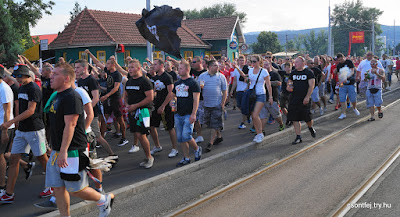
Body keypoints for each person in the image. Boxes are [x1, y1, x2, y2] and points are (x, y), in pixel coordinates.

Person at [45, 62, 114, 216]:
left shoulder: (71, 97)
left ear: (66, 78)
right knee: (57, 188)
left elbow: (71, 125)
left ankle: (103, 199)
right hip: (58, 149)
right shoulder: (57, 96)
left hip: (71, 150)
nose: (51, 76)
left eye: (55, 74)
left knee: (76, 189)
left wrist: (63, 151)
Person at [0, 64, 51, 203]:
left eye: (19, 77)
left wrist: (10, 122)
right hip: (22, 130)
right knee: (14, 158)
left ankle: (53, 185)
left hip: (35, 129)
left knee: (42, 158)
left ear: (26, 75)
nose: (18, 79)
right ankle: (9, 193)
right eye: (16, 77)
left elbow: (30, 111)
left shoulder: (34, 88)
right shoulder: (22, 86)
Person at [75, 59, 118, 160]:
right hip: (84, 113)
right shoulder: (80, 80)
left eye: (78, 67)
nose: (75, 70)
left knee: (97, 136)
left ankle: (112, 154)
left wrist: (86, 111)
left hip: (91, 113)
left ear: (85, 68)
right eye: (75, 67)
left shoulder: (91, 80)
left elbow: (96, 98)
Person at [85, 49, 128, 146]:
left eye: (108, 63)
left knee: (120, 119)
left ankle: (124, 137)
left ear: (113, 65)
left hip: (115, 99)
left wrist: (106, 96)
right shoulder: (108, 72)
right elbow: (97, 62)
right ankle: (101, 139)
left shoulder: (117, 74)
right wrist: (90, 53)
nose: (106, 65)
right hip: (107, 99)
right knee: (104, 119)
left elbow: (116, 88)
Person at [124, 59, 155, 169]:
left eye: (132, 67)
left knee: (141, 134)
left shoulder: (145, 82)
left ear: (138, 68)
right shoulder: (129, 82)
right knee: (138, 134)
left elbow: (150, 98)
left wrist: (135, 106)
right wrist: (127, 105)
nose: (130, 69)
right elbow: (126, 95)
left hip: (143, 111)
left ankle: (149, 157)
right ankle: (147, 156)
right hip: (132, 111)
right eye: (129, 67)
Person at [235, 55, 273, 143]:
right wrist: (237, 68)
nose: (253, 63)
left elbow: (268, 84)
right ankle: (258, 133)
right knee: (253, 115)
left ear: (259, 61)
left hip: (261, 94)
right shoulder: (250, 70)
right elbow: (245, 76)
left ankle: (260, 133)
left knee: (255, 114)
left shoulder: (264, 71)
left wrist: (270, 96)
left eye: (254, 61)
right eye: (251, 61)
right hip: (252, 94)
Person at [172, 60, 202, 167]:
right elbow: (174, 96)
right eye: (178, 68)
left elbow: (196, 99)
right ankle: (186, 157)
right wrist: (173, 103)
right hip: (178, 113)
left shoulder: (193, 83)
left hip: (189, 113)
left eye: (181, 68)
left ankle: (197, 148)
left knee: (186, 135)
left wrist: (194, 114)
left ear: (187, 69)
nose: (178, 70)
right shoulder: (177, 83)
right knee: (180, 137)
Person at [148, 59, 179, 158]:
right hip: (157, 103)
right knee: (152, 126)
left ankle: (175, 148)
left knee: (170, 127)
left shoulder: (168, 77)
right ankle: (157, 146)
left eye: (155, 64)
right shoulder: (155, 77)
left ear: (161, 65)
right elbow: (154, 90)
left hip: (167, 105)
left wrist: (163, 106)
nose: (154, 66)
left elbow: (171, 93)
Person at [198, 60, 227, 152]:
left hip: (217, 104)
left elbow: (225, 91)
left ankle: (210, 143)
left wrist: (223, 103)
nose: (217, 67)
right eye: (215, 65)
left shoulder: (221, 77)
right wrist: (200, 87)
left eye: (217, 65)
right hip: (206, 104)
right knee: (209, 123)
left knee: (214, 124)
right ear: (209, 67)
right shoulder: (202, 76)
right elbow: (198, 88)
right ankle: (219, 136)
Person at [286, 57, 316, 144]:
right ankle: (298, 136)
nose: (295, 64)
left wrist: (307, 97)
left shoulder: (308, 73)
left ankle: (310, 127)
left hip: (305, 98)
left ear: (303, 63)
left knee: (307, 117)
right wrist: (289, 86)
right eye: (295, 62)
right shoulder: (293, 72)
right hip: (294, 98)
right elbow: (290, 81)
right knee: (295, 118)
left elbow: (311, 86)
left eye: (297, 62)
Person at [0, 65, 15, 194]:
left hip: (4, 126)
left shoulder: (4, 89)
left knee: (0, 156)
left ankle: (2, 185)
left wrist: (5, 130)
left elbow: (7, 111)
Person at [335, 53, 360, 120]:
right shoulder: (338, 66)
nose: (340, 61)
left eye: (341, 59)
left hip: (351, 83)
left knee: (353, 98)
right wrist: (340, 83)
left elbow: (352, 71)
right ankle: (343, 113)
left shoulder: (349, 62)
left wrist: (346, 77)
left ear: (344, 57)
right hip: (343, 85)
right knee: (342, 99)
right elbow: (338, 75)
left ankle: (354, 108)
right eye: (339, 60)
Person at [261, 60, 284, 132]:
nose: (265, 66)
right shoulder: (261, 74)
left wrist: (268, 82)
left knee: (276, 115)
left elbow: (279, 83)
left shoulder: (274, 74)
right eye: (264, 65)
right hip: (263, 97)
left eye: (266, 65)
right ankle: (262, 131)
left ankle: (281, 124)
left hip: (273, 97)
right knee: (263, 116)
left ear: (270, 65)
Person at [230, 55, 249, 129]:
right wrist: (232, 90)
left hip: (245, 91)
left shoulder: (247, 68)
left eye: (242, 60)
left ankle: (243, 122)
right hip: (238, 90)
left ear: (245, 61)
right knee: (239, 106)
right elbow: (235, 81)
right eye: (240, 60)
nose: (241, 62)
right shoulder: (235, 70)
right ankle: (247, 115)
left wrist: (246, 88)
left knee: (243, 107)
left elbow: (247, 79)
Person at [279, 62, 293, 127]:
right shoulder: (283, 73)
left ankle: (290, 119)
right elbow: (275, 70)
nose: (287, 69)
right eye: (286, 67)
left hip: (290, 93)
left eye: (288, 67)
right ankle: (289, 117)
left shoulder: (293, 74)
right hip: (284, 92)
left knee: (290, 107)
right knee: (282, 106)